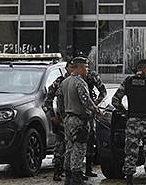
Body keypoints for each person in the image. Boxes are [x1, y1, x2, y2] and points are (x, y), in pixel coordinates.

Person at [112, 59, 146, 185]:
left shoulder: (128, 81)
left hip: (133, 121)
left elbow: (115, 100)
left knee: (131, 151)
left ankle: (130, 180)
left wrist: (125, 113)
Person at [56, 56, 103, 185]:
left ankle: (68, 177)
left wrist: (63, 115)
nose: (88, 70)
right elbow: (86, 100)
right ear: (80, 67)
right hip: (79, 120)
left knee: (69, 148)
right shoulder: (80, 82)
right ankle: (76, 177)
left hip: (68, 120)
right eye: (86, 67)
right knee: (79, 148)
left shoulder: (65, 82)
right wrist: (97, 111)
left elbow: (59, 100)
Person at [43, 59, 75, 181]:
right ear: (66, 68)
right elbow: (47, 101)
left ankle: (73, 172)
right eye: (71, 67)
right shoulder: (59, 82)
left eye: (75, 67)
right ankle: (57, 170)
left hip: (74, 119)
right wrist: (53, 116)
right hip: (62, 120)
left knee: (74, 147)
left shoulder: (79, 81)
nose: (73, 69)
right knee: (60, 147)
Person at [81, 63, 107, 178]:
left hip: (89, 112)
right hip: (77, 111)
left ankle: (88, 168)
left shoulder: (92, 76)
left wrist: (96, 103)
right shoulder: (72, 78)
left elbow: (103, 91)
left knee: (90, 139)